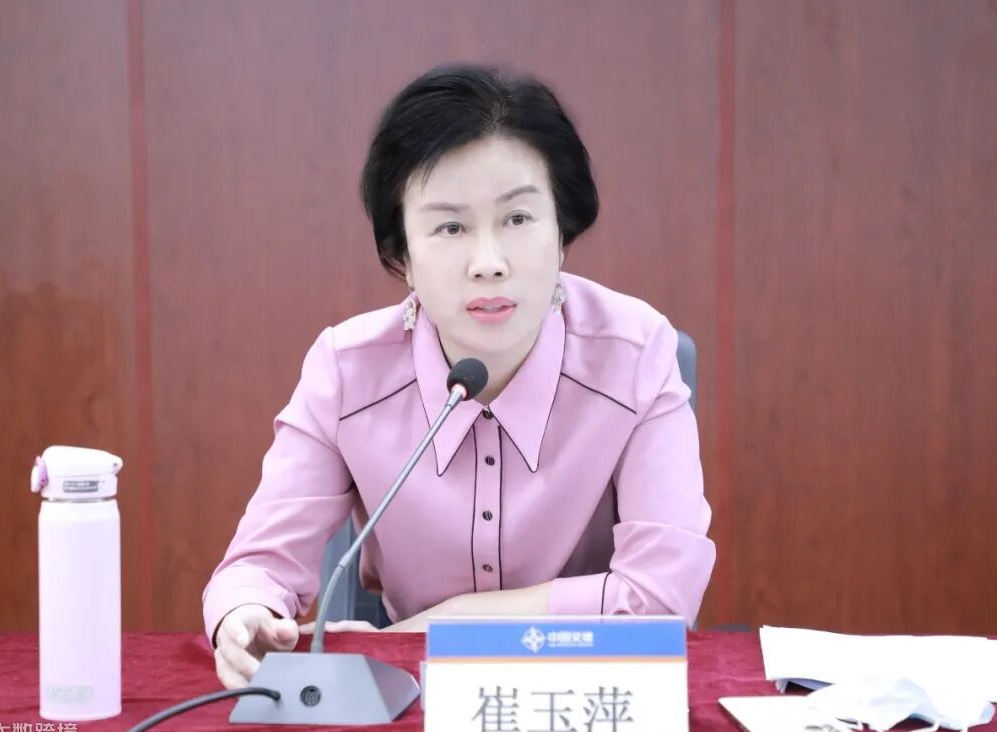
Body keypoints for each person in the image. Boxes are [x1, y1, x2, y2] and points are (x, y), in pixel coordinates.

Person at [204, 63, 716, 689]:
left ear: (563, 231)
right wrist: (244, 614)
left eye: (518, 219)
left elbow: (662, 598)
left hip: (592, 690)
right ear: (402, 255)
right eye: (450, 227)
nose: (489, 263)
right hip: (420, 701)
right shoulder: (347, 372)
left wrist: (450, 621)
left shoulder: (635, 356)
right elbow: (256, 569)